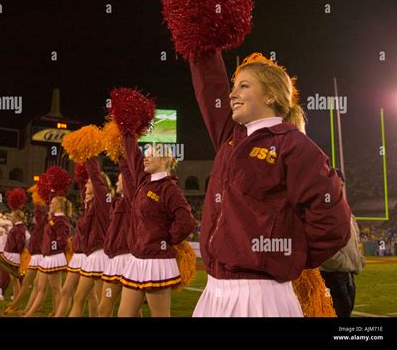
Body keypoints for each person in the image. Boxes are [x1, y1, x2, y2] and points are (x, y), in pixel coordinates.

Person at [188, 51, 351, 317]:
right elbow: (210, 90)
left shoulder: (294, 146)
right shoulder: (230, 140)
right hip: (213, 290)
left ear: (270, 96)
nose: (232, 94)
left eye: (244, 85)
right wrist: (200, 45)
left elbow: (333, 222)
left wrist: (290, 254)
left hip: (262, 295)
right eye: (234, 86)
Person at [117, 135, 196, 317]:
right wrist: (126, 133)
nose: (145, 157)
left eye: (150, 154)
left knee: (159, 315)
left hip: (157, 261)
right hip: (137, 258)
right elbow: (133, 158)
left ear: (164, 159)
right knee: (124, 314)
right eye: (145, 154)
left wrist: (166, 240)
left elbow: (186, 221)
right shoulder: (144, 183)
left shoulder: (170, 189)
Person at [68, 159, 113, 317]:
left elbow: (95, 178)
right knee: (79, 298)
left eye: (89, 182)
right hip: (90, 257)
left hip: (101, 256)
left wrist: (91, 156)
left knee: (103, 303)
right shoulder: (89, 205)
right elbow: (83, 186)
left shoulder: (104, 203)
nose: (86, 185)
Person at [320, 169, 365, 317]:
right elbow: (322, 243)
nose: (339, 188)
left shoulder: (346, 210)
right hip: (333, 275)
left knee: (346, 311)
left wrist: (358, 259)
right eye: (335, 184)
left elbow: (355, 237)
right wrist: (341, 263)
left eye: (341, 185)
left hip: (347, 274)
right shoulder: (323, 209)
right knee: (337, 313)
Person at [23, 196, 72, 317]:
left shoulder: (60, 220)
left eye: (53, 203)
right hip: (48, 257)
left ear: (59, 206)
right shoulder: (54, 219)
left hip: (54, 258)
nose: (50, 204)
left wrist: (52, 247)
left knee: (56, 289)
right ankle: (30, 313)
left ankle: (57, 314)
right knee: (41, 287)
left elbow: (62, 241)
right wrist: (38, 203)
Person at [99, 158, 135, 317]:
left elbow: (129, 178)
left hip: (125, 257)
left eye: (119, 181)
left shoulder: (130, 201)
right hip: (115, 258)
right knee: (132, 311)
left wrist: (122, 155)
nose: (116, 184)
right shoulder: (116, 202)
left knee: (106, 307)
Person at [0, 210, 27, 300]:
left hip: (12, 254)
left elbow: (21, 243)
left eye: (12, 216)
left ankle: (11, 271)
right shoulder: (17, 227)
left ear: (17, 218)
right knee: (15, 280)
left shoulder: (19, 228)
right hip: (12, 254)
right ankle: (16, 301)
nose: (11, 218)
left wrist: (18, 253)